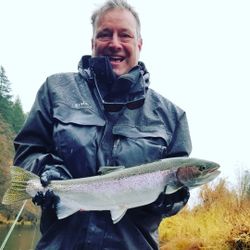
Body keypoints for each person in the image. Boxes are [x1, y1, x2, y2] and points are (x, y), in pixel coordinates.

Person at [13, 0, 192, 249]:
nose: (115, 43)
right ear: (93, 43)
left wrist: (169, 199)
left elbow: (178, 200)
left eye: (125, 35)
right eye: (105, 34)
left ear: (139, 44)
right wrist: (46, 172)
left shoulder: (172, 116)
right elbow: (27, 151)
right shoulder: (56, 91)